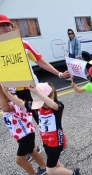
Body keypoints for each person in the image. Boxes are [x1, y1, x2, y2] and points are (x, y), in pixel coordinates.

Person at [0, 14, 70, 161]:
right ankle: (32, 148)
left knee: (44, 117)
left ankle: (58, 142)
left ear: (12, 27)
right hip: (11, 92)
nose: (6, 28)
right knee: (21, 121)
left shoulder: (23, 44)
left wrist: (59, 73)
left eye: (8, 25)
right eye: (2, 26)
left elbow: (40, 61)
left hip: (31, 89)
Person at [3, 83, 80, 175]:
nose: (40, 105)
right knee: (56, 162)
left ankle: (73, 173)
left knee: (50, 170)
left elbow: (52, 105)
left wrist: (38, 92)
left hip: (56, 143)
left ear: (50, 97)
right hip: (46, 142)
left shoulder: (57, 107)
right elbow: (20, 103)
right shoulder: (37, 107)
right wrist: (7, 93)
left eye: (42, 101)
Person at [0, 87, 46, 175]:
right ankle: (43, 167)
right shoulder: (11, 101)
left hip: (25, 135)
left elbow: (6, 109)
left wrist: (2, 92)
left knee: (20, 160)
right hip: (24, 134)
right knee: (31, 151)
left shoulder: (14, 103)